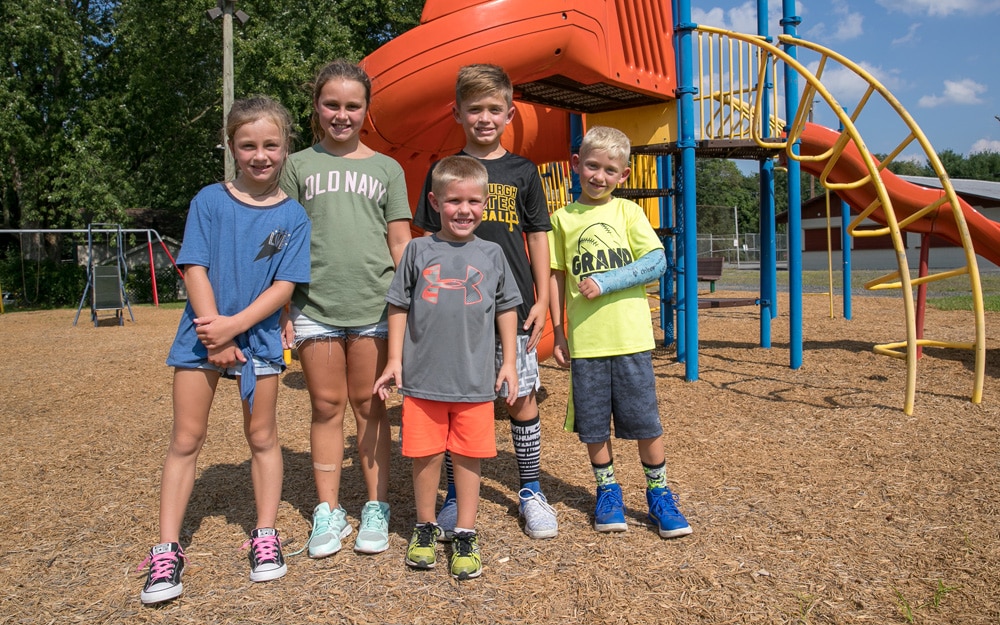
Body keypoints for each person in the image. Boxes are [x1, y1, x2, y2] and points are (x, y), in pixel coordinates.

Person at [138, 96, 312, 605]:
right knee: (186, 438)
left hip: (255, 339)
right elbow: (195, 267)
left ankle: (265, 535)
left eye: (271, 144)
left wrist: (235, 329)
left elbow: (285, 286)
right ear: (232, 148)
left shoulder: (294, 216)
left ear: (285, 148)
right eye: (248, 145)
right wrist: (216, 334)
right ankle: (167, 549)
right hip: (201, 335)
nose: (260, 155)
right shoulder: (208, 201)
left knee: (262, 437)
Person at [413, 64, 556, 541]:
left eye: (495, 109)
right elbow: (425, 244)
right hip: (456, 313)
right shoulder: (443, 172)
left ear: (510, 112)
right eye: (474, 109)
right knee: (457, 405)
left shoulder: (523, 172)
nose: (485, 117)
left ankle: (531, 490)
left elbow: (538, 236)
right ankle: (455, 495)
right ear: (457, 112)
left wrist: (543, 299)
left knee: (521, 399)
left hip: (512, 306)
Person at [279, 60, 412, 558]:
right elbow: (285, 239)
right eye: (332, 104)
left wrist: (412, 305)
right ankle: (328, 511)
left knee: (370, 406)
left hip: (376, 306)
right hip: (315, 306)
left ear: (366, 110)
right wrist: (283, 307)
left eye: (352, 105)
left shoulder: (387, 169)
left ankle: (376, 506)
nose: (342, 114)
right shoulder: (297, 165)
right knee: (326, 407)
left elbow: (400, 243)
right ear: (316, 107)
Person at [374, 155, 521, 580]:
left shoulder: (492, 253)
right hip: (423, 381)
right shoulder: (418, 249)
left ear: (486, 202)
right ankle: (424, 527)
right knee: (425, 455)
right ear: (435, 202)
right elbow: (398, 306)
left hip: (474, 383)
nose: (464, 209)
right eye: (453, 200)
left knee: (470, 457)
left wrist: (508, 361)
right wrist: (395, 360)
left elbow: (507, 307)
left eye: (474, 201)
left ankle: (465, 533)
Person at [547, 126, 692, 539]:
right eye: (591, 165)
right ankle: (607, 491)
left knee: (646, 423)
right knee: (593, 426)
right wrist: (558, 332)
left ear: (623, 176)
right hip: (587, 343)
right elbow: (557, 280)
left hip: (631, 340)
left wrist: (607, 281)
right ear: (576, 164)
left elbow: (656, 262)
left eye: (610, 170)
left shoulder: (628, 212)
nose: (599, 176)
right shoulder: (562, 219)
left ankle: (659, 495)